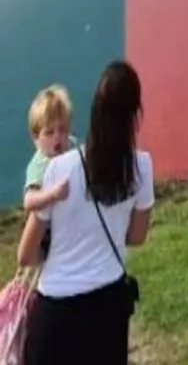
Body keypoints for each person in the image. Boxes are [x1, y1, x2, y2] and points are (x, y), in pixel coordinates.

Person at [16, 62, 154, 365]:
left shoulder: (58, 169)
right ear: (135, 113)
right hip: (108, 310)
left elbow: (25, 254)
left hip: (56, 315)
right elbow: (137, 235)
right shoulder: (141, 166)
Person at [22, 85, 75, 218]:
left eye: (62, 129)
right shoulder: (40, 164)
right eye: (49, 132)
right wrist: (52, 194)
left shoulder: (71, 144)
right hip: (47, 230)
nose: (57, 136)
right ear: (36, 138)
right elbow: (29, 201)